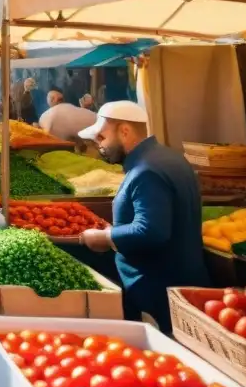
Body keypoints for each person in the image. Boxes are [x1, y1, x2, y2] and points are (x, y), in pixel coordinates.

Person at [78, 101, 209, 333]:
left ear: (124, 131)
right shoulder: (170, 157)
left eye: (101, 138)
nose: (99, 146)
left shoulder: (146, 170)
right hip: (175, 280)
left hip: (156, 288)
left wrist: (105, 236)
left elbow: (150, 231)